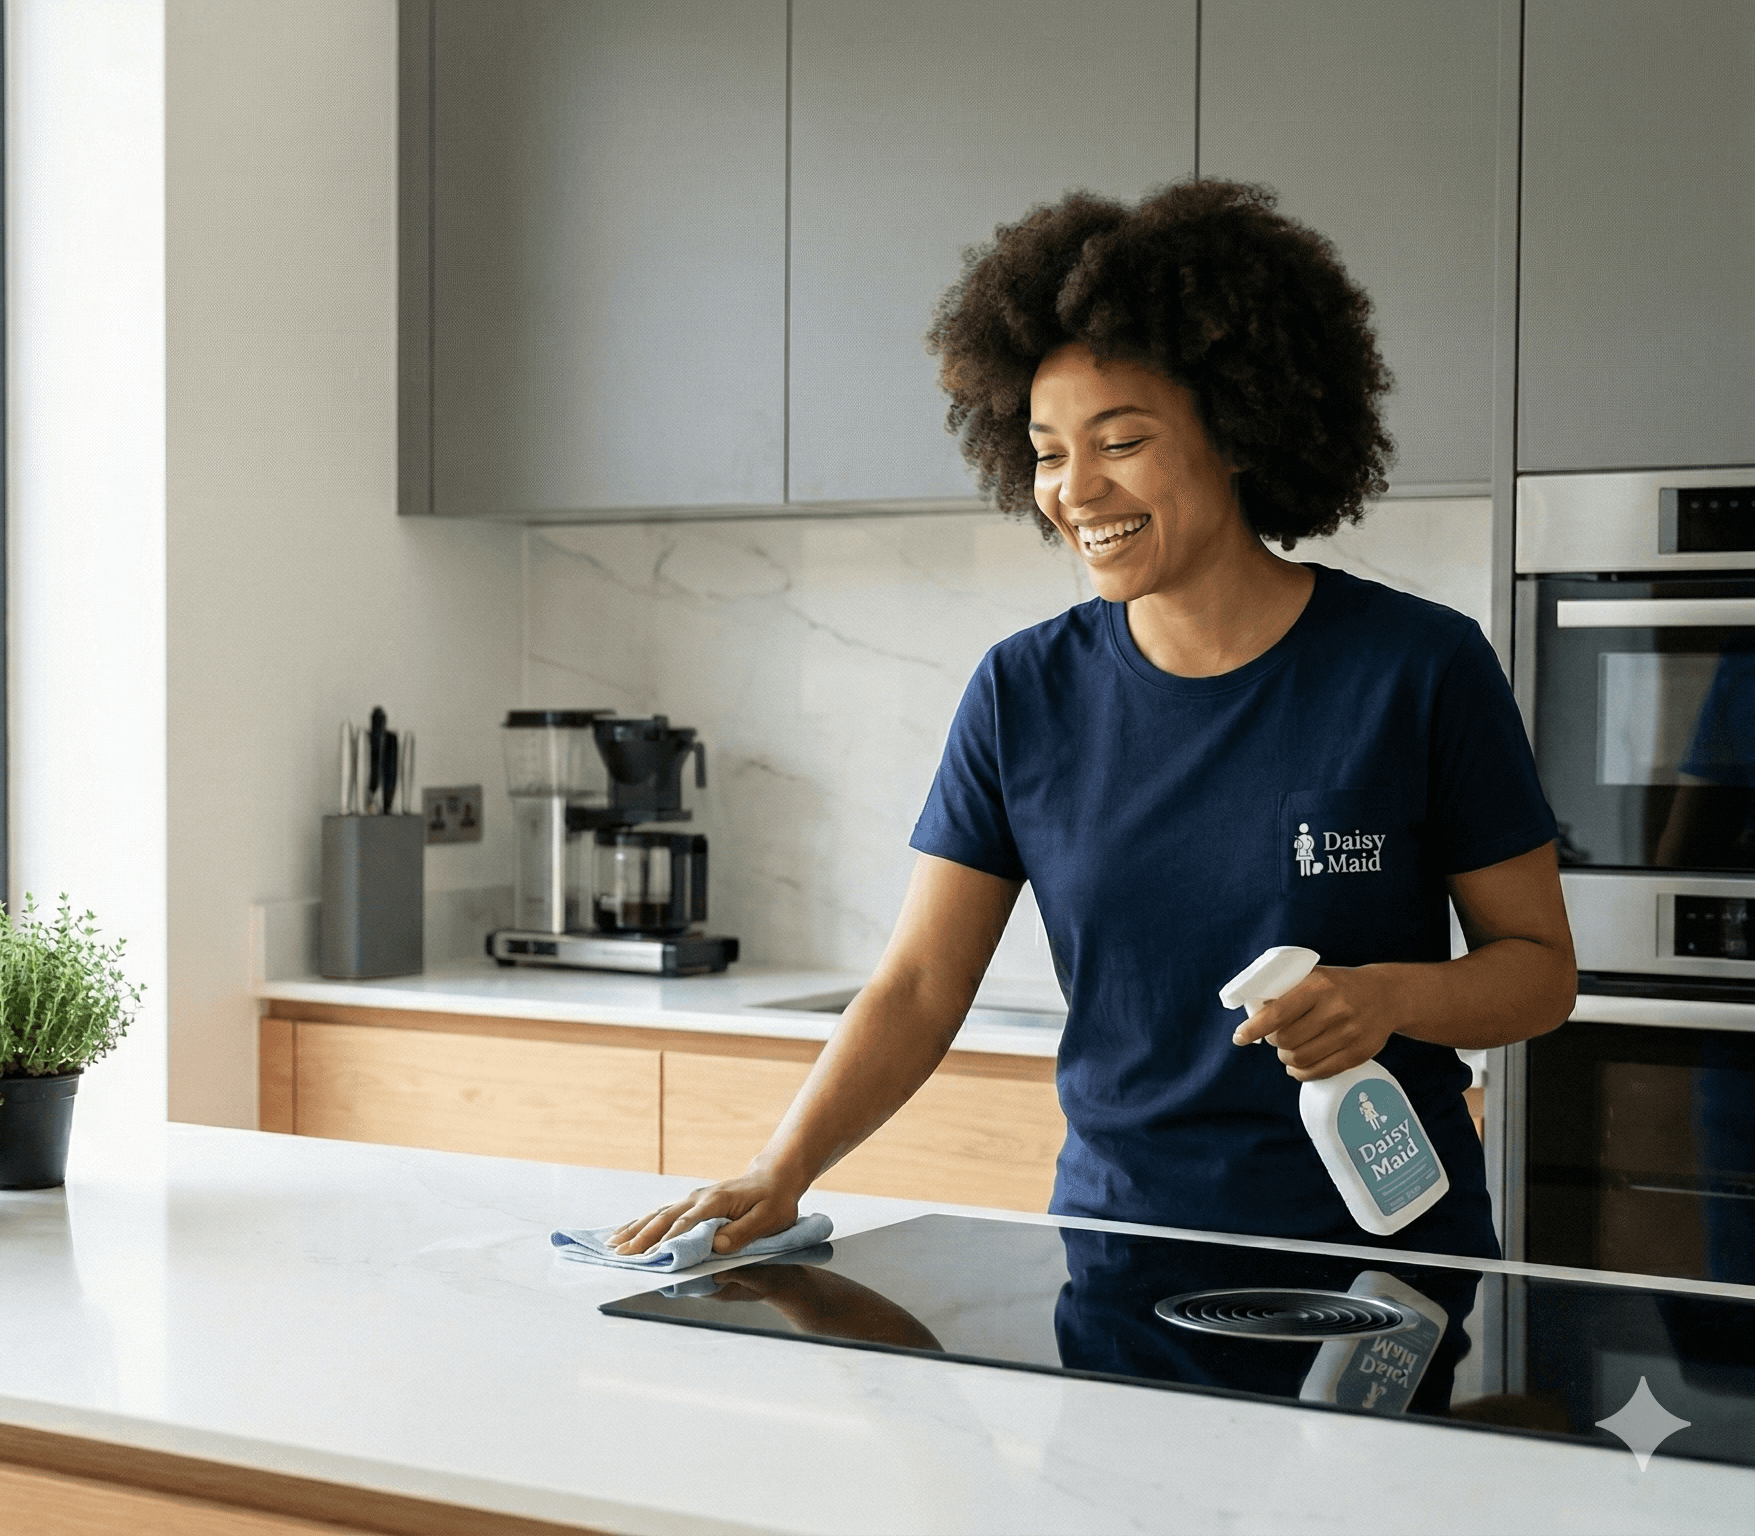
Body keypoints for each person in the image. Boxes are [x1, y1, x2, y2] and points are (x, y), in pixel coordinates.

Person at [613, 180, 1574, 1263]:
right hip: (1118, 1251)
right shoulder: (1022, 694)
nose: (1075, 490)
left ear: (1240, 430)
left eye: (1119, 442)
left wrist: (1386, 997)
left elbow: (1538, 971)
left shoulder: (1417, 666)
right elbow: (921, 985)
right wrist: (776, 1168)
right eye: (1046, 451)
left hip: (1382, 1258)